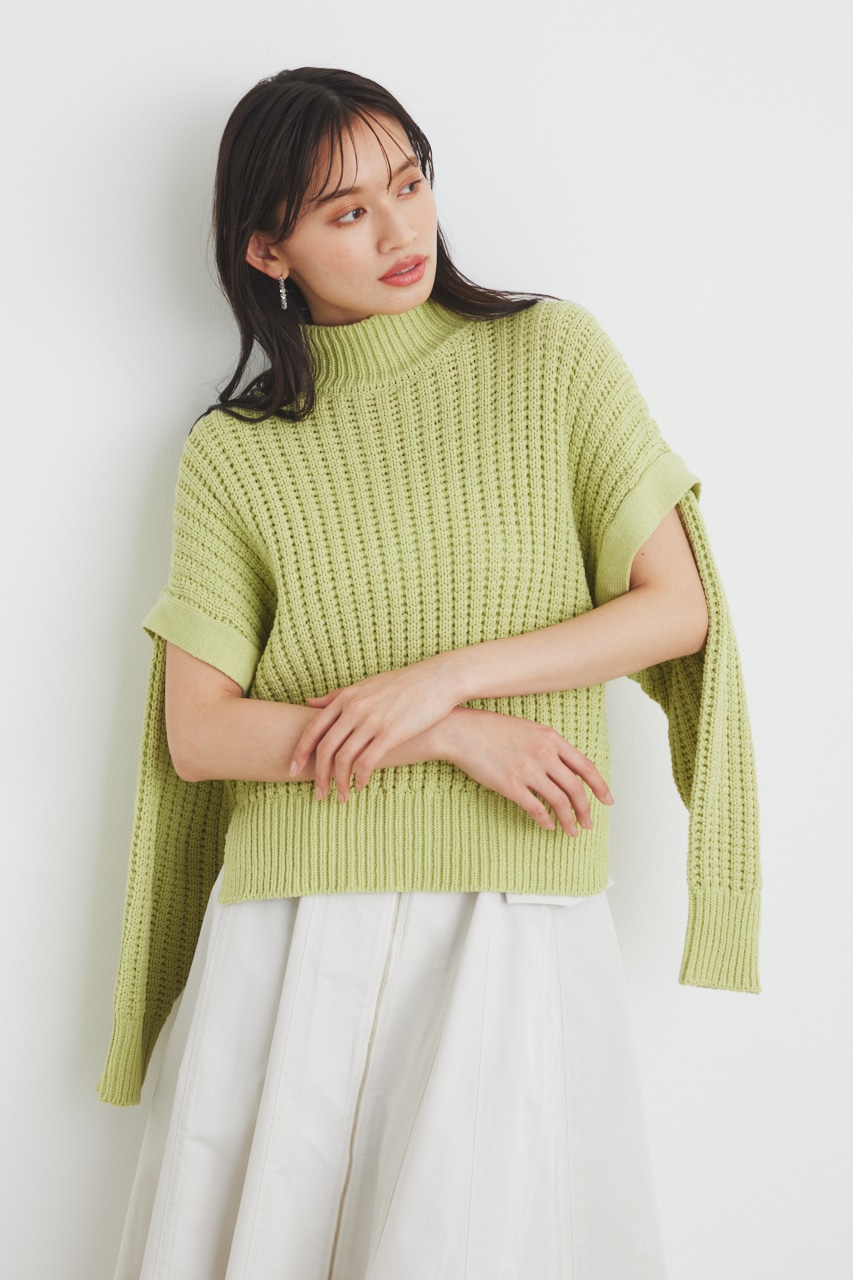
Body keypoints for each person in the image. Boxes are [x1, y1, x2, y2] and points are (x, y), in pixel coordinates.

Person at [99, 66, 762, 1280]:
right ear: (268, 249)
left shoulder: (550, 356)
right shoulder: (234, 453)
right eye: (347, 211)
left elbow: (676, 608)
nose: (400, 229)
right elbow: (200, 733)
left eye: (409, 184)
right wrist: (452, 732)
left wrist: (447, 679)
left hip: (510, 909)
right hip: (295, 930)